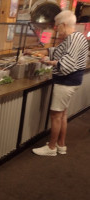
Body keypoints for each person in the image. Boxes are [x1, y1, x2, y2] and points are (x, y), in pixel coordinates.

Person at [29, 10, 89, 156]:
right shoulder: (75, 37)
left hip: (66, 81)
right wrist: (39, 52)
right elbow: (58, 50)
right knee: (62, 114)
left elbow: (66, 64)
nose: (56, 29)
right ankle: (61, 145)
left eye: (57, 26)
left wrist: (47, 61)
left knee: (56, 115)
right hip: (70, 81)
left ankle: (51, 148)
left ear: (63, 25)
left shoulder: (74, 39)